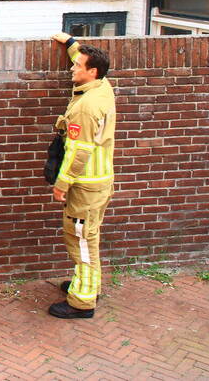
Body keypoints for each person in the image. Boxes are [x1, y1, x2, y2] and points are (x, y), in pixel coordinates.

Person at [47, 32, 116, 319]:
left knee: (81, 241)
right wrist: (71, 42)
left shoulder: (87, 108)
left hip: (85, 185)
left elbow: (79, 153)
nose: (72, 68)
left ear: (92, 72)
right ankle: (86, 284)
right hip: (99, 183)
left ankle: (82, 302)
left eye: (78, 66)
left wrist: (62, 185)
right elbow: (81, 58)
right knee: (89, 237)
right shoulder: (102, 87)